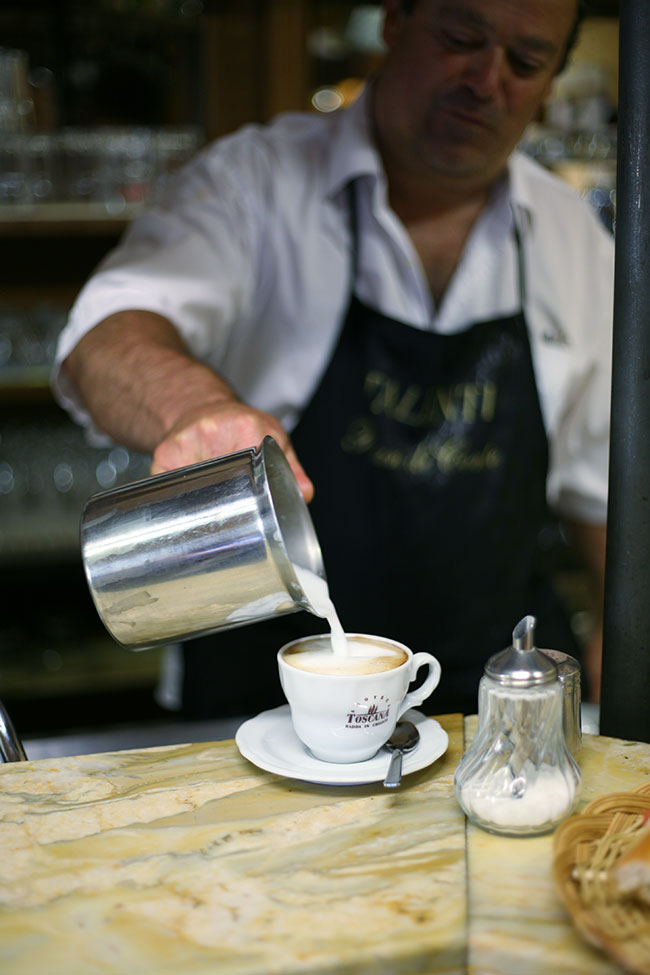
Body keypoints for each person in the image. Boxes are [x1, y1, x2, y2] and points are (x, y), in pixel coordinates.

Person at [53, 0, 612, 720]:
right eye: (461, 38)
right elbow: (105, 336)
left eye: (526, 62)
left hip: (491, 705)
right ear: (395, 20)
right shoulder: (255, 182)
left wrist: (624, 637)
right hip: (259, 706)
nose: (486, 79)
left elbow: (607, 486)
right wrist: (195, 408)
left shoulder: (573, 238)